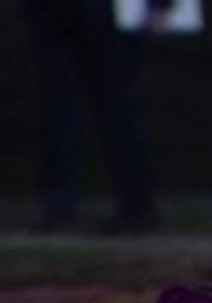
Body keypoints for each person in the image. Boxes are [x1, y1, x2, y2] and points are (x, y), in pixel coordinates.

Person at [18, 0, 173, 236]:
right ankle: (63, 206)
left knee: (111, 111)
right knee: (67, 112)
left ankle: (133, 206)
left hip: (98, 18)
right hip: (65, 16)